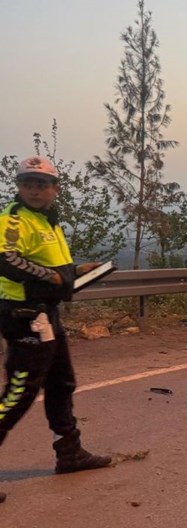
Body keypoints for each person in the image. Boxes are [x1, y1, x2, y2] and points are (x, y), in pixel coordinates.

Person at [0, 156, 112, 501]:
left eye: (42, 184)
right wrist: (52, 277)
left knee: (62, 383)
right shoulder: (13, 219)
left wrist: (75, 271)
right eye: (27, 183)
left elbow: (51, 266)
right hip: (24, 316)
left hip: (46, 315)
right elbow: (6, 260)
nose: (34, 189)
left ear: (55, 189)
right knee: (20, 392)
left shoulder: (47, 222)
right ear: (18, 187)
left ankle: (70, 452)